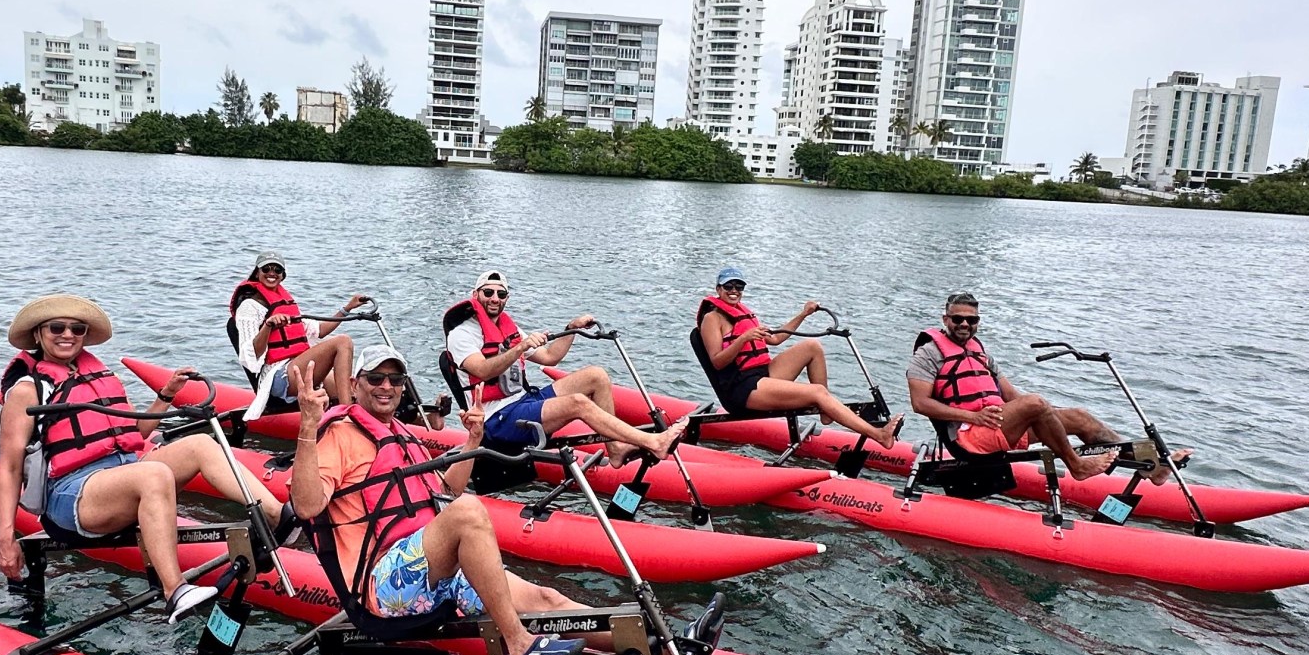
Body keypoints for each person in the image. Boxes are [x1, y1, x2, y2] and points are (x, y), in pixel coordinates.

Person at [289, 343, 586, 655]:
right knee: (468, 511)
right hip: (383, 583)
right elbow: (306, 506)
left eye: (396, 379)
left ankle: (652, 646)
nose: (387, 386)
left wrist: (474, 441)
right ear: (356, 384)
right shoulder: (338, 434)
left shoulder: (400, 434)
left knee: (548, 600)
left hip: (433, 570)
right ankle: (519, 646)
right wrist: (307, 428)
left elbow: (444, 490)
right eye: (376, 378)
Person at [0, 293, 289, 621]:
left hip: (121, 472)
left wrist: (166, 395)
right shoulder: (27, 390)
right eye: (56, 328)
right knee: (154, 474)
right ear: (38, 334)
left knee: (200, 445)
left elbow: (136, 435)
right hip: (71, 495)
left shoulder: (95, 373)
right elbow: (9, 468)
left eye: (77, 329)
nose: (67, 335)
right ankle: (175, 590)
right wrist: (6, 538)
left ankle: (279, 516)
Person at [906, 292, 1180, 482]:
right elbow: (920, 404)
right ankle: (1077, 466)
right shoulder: (929, 353)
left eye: (972, 319)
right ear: (946, 319)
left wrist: (1052, 415)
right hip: (967, 437)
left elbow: (1012, 396)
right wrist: (973, 416)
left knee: (1079, 417)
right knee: (1036, 403)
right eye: (958, 319)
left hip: (998, 425)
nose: (965, 324)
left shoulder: (980, 352)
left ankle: (1151, 465)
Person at [443, 270, 689, 464]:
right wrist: (519, 348)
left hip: (523, 402)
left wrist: (572, 328)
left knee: (597, 376)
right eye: (488, 293)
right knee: (578, 403)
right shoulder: (462, 334)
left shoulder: (508, 329)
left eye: (501, 294)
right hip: (496, 419)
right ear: (475, 295)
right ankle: (653, 442)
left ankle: (615, 449)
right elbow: (483, 370)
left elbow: (550, 357)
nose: (495, 298)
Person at [694, 266, 903, 448]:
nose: (734, 291)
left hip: (762, 375)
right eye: (728, 287)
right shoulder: (712, 319)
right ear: (718, 289)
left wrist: (803, 314)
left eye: (738, 287)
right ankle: (879, 435)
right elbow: (717, 362)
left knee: (812, 346)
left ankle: (826, 411)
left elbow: (776, 340)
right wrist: (743, 339)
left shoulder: (742, 313)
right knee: (818, 392)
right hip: (743, 388)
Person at [227, 250, 368, 409]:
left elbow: (320, 330)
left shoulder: (284, 301)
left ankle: (357, 412)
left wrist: (348, 308)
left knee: (339, 378)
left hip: (296, 366)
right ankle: (347, 415)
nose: (272, 273)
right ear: (257, 272)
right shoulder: (248, 307)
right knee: (343, 341)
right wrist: (268, 326)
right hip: (277, 377)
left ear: (283, 275)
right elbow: (251, 356)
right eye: (266, 269)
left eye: (277, 270)